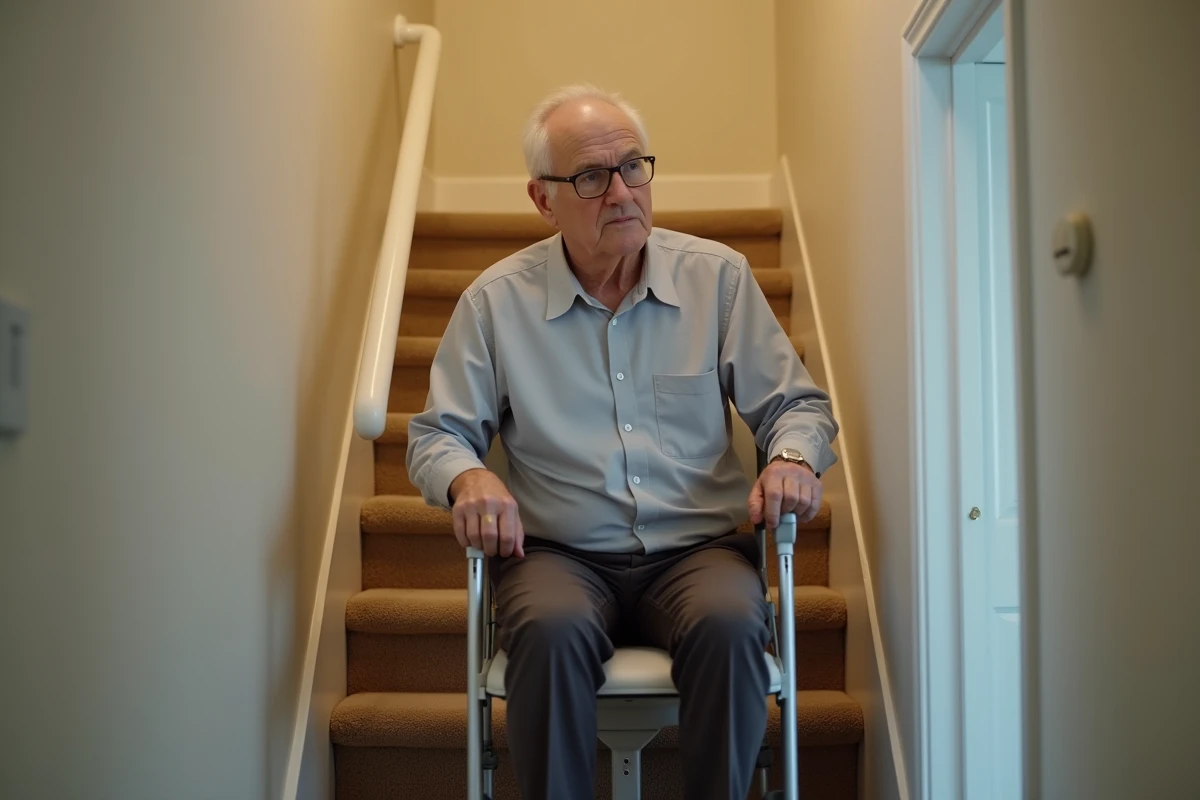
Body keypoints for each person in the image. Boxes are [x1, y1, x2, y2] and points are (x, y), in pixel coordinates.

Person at [406, 83, 839, 800]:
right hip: (558, 558)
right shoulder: (494, 303)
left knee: (734, 629)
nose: (620, 192)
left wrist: (791, 456)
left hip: (698, 553)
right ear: (543, 200)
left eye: (633, 167)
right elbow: (435, 434)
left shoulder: (718, 279)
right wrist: (468, 479)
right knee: (544, 635)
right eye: (590, 177)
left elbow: (798, 404)